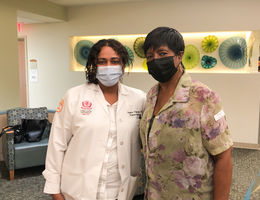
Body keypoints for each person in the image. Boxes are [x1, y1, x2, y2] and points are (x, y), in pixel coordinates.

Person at [43, 39, 146, 200]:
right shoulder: (74, 96)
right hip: (78, 188)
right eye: (102, 61)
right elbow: (57, 144)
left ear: (123, 66)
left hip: (120, 190)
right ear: (94, 65)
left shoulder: (139, 99)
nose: (108, 66)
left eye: (115, 61)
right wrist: (54, 188)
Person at [139, 27, 233, 200]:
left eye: (162, 53)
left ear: (180, 55)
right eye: (150, 56)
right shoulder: (151, 95)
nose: (156, 60)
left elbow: (224, 157)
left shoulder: (203, 97)